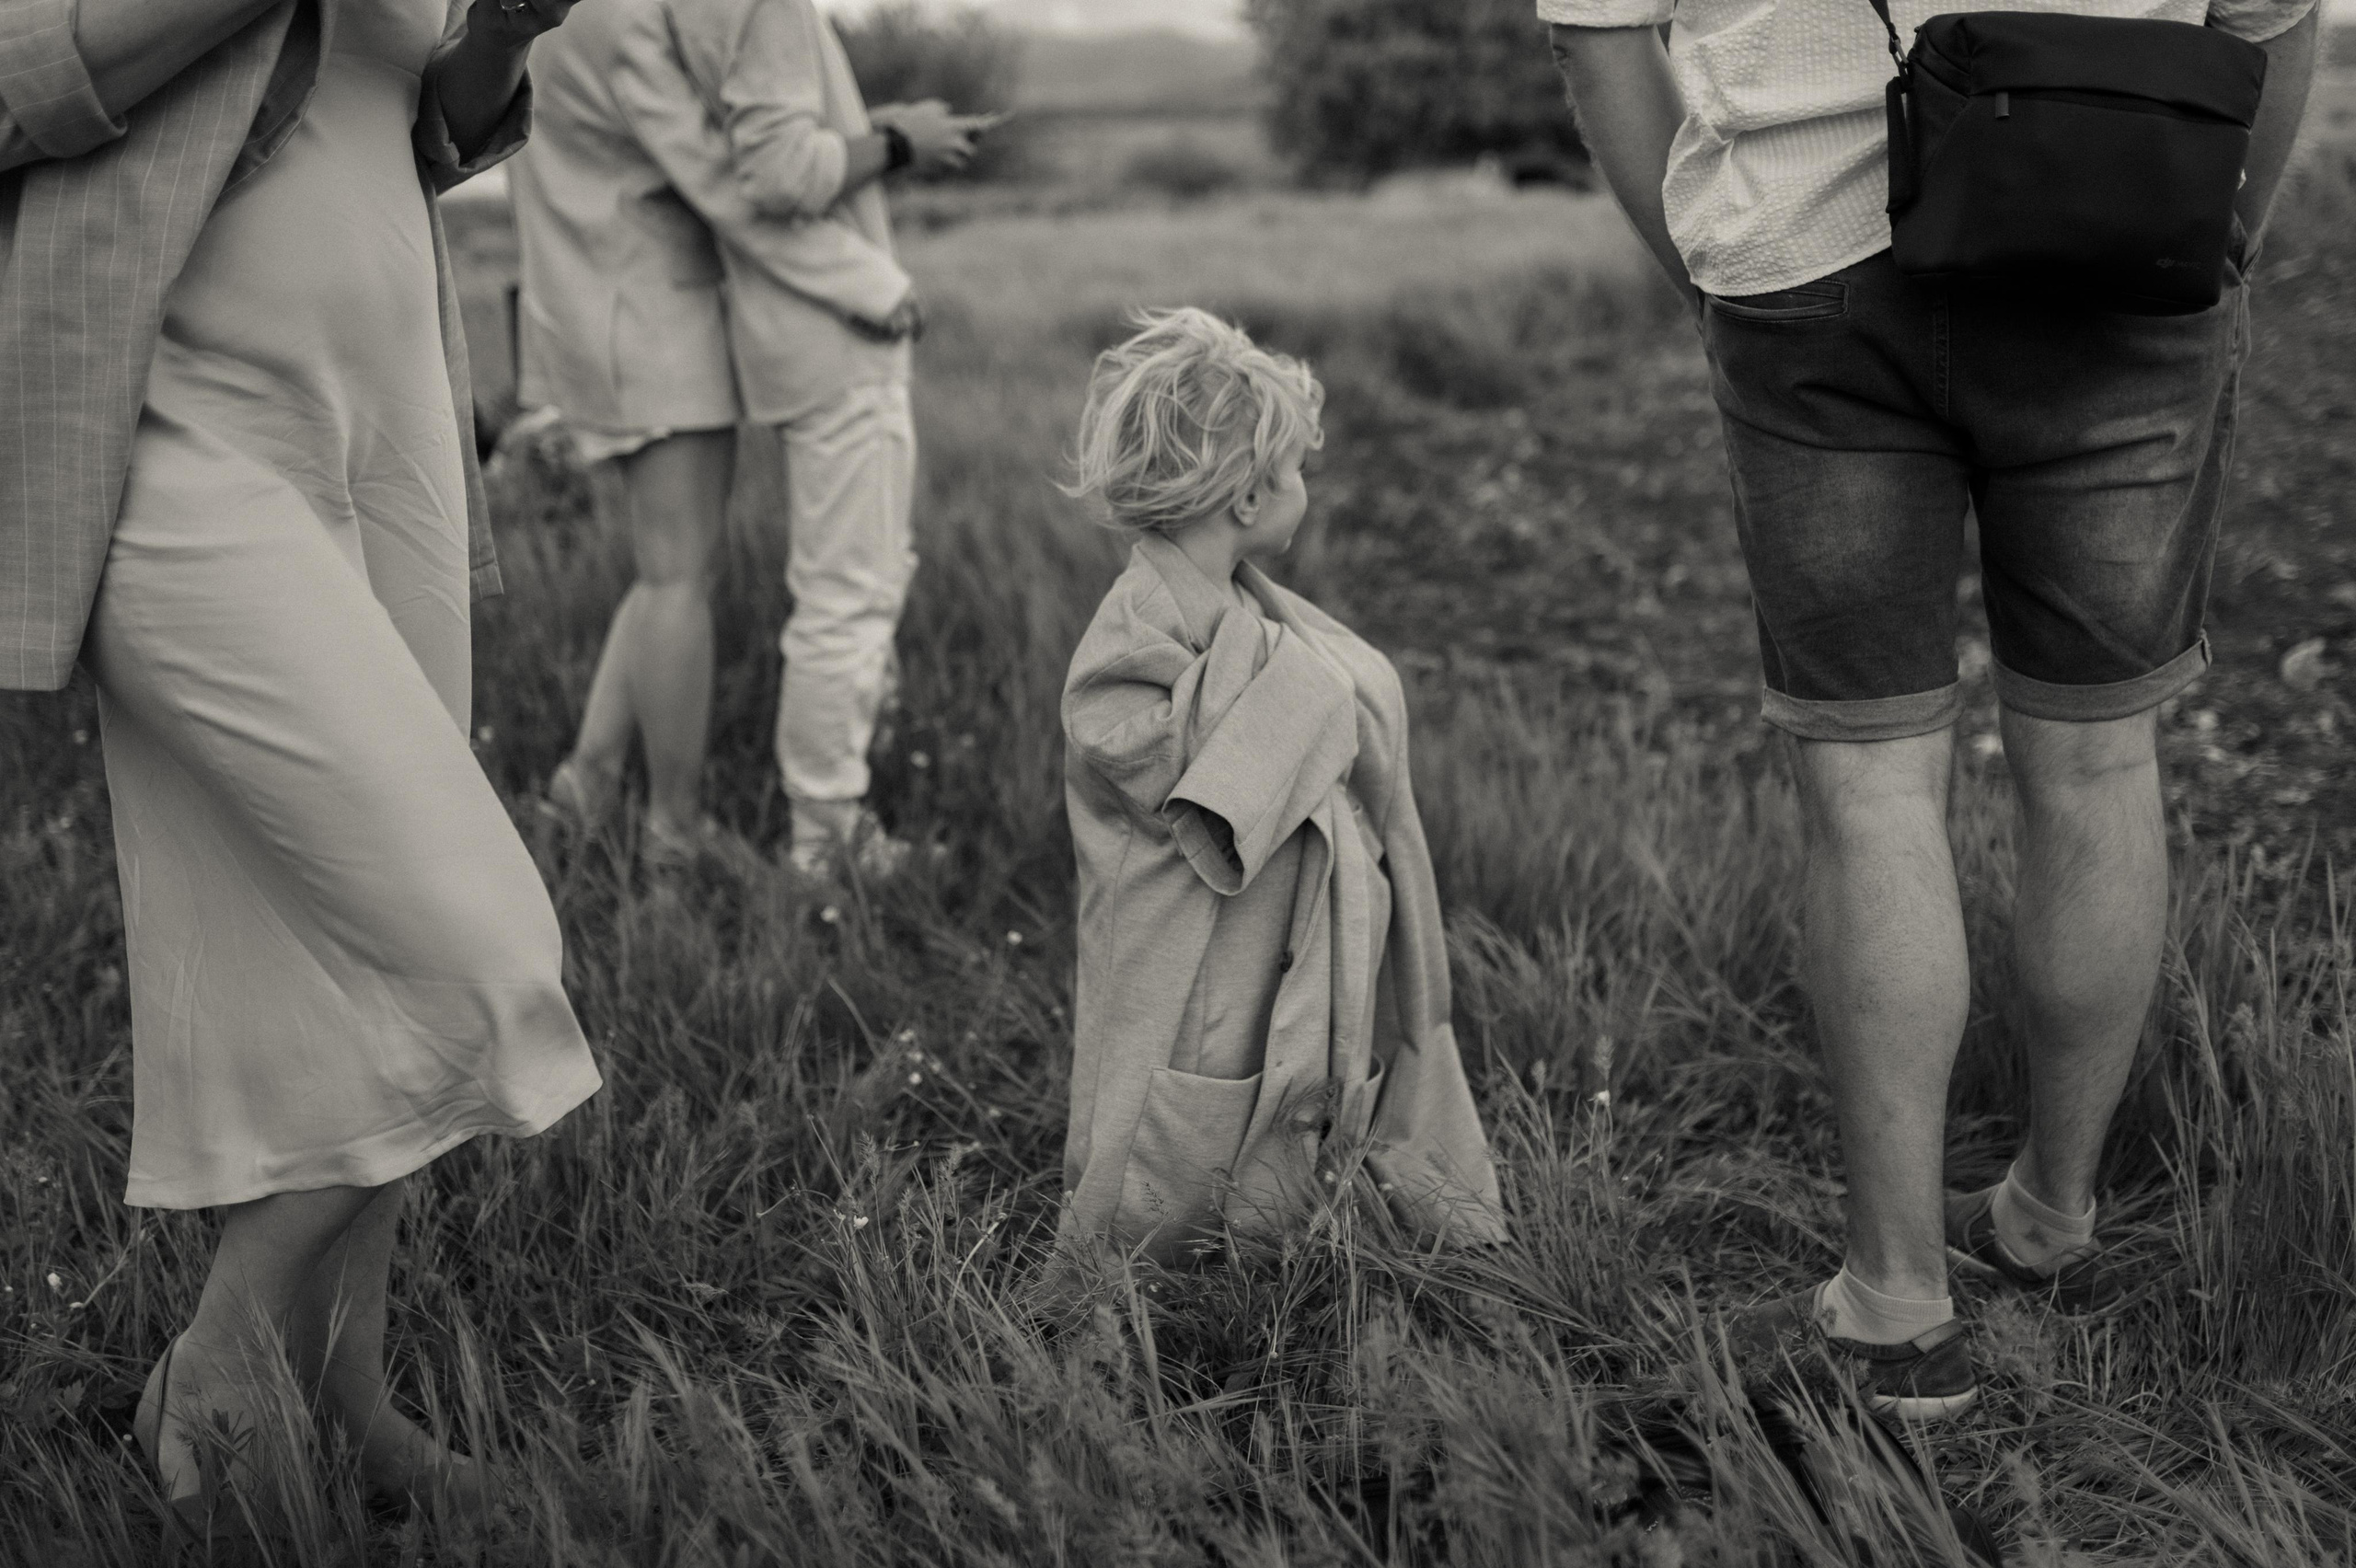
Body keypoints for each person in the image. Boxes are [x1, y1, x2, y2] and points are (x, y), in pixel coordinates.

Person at [1549, 0, 2318, 1417]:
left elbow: (1599, 41)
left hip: (1811, 268)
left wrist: (1729, 273)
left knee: (1869, 786)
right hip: (2123, 241)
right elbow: (2273, 16)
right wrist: (2209, 235)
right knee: (2096, 760)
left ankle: (1897, 1308)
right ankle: (2050, 1217)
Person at [0, 0, 603, 1528]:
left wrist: (502, 39)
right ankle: (221, 1355)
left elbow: (404, 123)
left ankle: (347, 1389)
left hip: (383, 416)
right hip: (170, 421)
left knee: (342, 951)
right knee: (475, 953)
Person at [1057, 308, 1507, 1262]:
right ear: (1249, 498)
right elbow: (1138, 753)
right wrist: (1302, 695)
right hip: (1184, 943)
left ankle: (1266, 1250)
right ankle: (1135, 1274)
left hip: (1269, 925)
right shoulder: (1140, 625)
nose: (1306, 487)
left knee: (1268, 1075)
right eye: (1298, 469)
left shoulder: (1250, 607)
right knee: (1174, 1096)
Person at [512, 0, 992, 877]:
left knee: (665, 570)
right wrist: (872, 234)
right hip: (648, 308)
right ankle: (674, 835)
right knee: (676, 582)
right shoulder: (639, 17)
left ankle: (585, 785)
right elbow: (731, 173)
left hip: (588, 296)